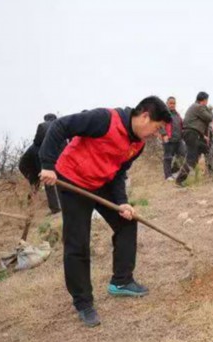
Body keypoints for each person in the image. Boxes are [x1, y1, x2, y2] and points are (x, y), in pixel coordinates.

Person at [39, 96, 172, 327]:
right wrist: (48, 165)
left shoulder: (137, 144)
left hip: (100, 183)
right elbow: (60, 126)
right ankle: (83, 302)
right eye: (157, 127)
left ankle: (121, 281)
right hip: (73, 181)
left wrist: (122, 202)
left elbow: (119, 172)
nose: (156, 134)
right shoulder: (104, 119)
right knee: (78, 243)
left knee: (127, 222)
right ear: (144, 117)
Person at [19, 113, 63, 214]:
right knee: (43, 181)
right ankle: (54, 209)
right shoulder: (56, 127)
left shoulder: (44, 127)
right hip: (31, 163)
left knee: (38, 184)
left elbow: (37, 141)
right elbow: (38, 143)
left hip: (26, 164)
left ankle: (31, 208)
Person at [175, 91, 213, 186]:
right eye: (206, 101)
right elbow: (209, 117)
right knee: (191, 159)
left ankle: (212, 172)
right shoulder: (199, 107)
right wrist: (209, 110)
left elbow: (196, 125)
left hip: (192, 133)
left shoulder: (195, 106)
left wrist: (202, 136)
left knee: (206, 149)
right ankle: (179, 180)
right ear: (204, 100)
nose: (207, 102)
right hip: (191, 134)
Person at [160, 97, 186, 181]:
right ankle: (168, 176)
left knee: (182, 155)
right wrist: (164, 134)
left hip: (178, 140)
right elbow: (160, 125)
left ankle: (173, 171)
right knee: (168, 157)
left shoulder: (177, 114)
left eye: (174, 103)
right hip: (168, 139)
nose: (172, 105)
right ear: (167, 104)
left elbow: (181, 125)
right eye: (170, 103)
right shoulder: (164, 114)